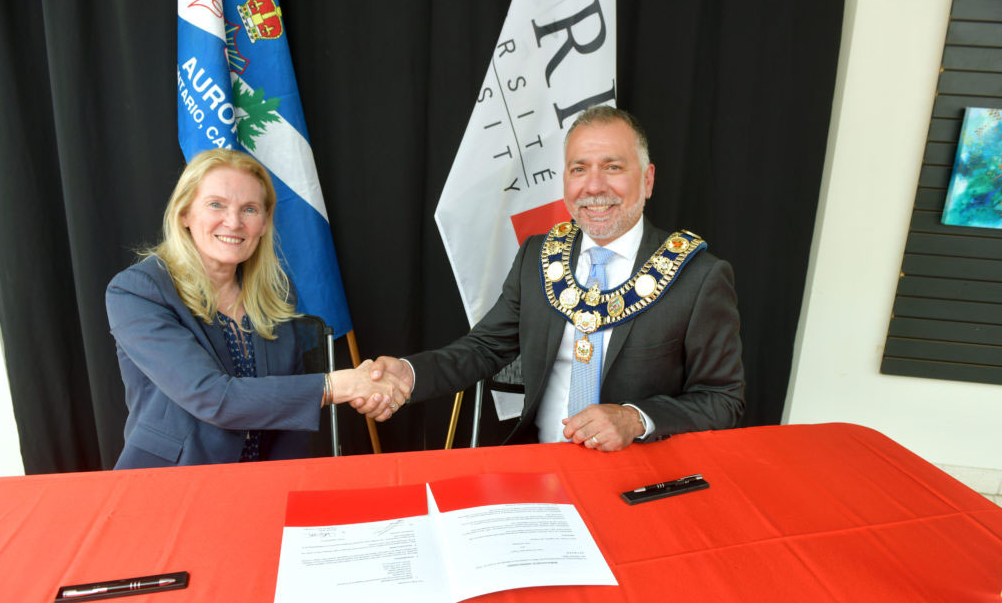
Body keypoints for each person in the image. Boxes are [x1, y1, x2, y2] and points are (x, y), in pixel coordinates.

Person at [359, 106, 744, 451]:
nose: (593, 186)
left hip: (640, 476)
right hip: (538, 469)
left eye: (612, 167)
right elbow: (484, 350)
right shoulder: (538, 256)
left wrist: (635, 418)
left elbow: (723, 399)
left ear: (647, 179)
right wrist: (408, 374)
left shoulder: (699, 277)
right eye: (579, 169)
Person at [106, 148, 408, 468]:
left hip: (260, 487)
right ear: (184, 214)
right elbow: (215, 398)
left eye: (249, 209)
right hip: (168, 488)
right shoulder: (138, 290)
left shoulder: (276, 294)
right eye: (216, 205)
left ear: (264, 223)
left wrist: (283, 495)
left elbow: (287, 424)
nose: (234, 222)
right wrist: (338, 385)